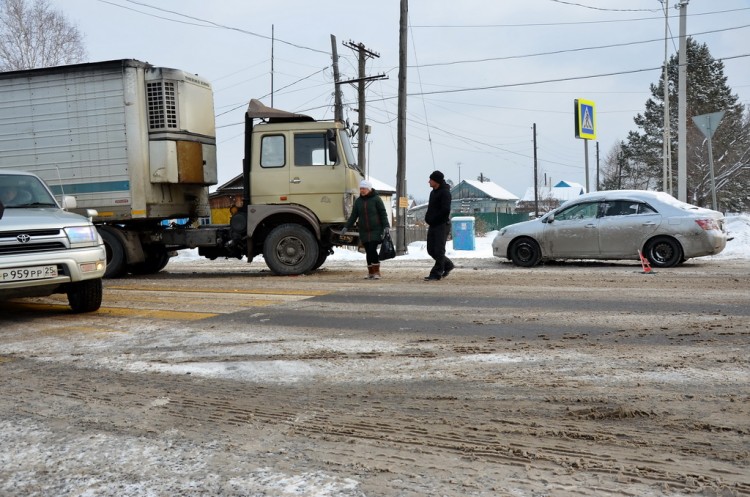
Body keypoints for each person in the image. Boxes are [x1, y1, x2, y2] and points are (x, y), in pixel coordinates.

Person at [342, 179, 390, 280]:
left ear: (369, 189)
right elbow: (353, 216)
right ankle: (371, 273)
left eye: (363, 188)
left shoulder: (376, 199)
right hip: (364, 231)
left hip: (376, 230)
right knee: (368, 251)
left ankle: (377, 272)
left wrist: (386, 226)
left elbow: (383, 213)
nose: (362, 190)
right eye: (360, 189)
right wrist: (346, 226)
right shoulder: (358, 201)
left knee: (372, 249)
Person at [424, 170, 454, 281]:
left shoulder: (445, 193)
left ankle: (436, 273)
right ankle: (448, 265)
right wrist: (428, 218)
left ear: (436, 181)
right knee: (431, 250)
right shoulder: (433, 192)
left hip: (442, 225)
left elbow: (445, 210)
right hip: (433, 224)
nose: (428, 182)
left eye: (430, 180)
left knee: (439, 250)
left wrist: (435, 219)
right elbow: (430, 208)